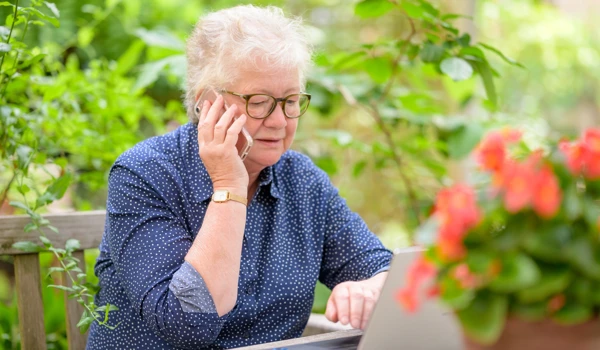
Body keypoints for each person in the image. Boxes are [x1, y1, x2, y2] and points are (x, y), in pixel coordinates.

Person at [87, 5, 392, 349]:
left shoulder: (301, 181)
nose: (279, 121)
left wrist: (368, 288)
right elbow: (187, 325)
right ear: (207, 104)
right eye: (259, 102)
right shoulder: (146, 174)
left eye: (290, 101)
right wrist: (228, 187)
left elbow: (384, 270)